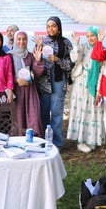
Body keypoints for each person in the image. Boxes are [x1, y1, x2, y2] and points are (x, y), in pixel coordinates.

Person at [37, 16, 72, 148]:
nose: (51, 29)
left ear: (58, 27)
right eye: (48, 26)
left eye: (53, 26)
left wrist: (58, 60)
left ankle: (57, 143)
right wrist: (39, 52)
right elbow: (36, 61)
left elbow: (71, 64)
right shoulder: (42, 41)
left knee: (57, 111)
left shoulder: (66, 43)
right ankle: (45, 141)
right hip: (44, 80)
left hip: (58, 79)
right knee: (44, 111)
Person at [66, 27, 102, 152]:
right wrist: (76, 43)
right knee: (81, 109)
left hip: (95, 81)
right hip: (82, 81)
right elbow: (75, 58)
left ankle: (91, 139)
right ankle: (81, 140)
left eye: (93, 35)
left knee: (92, 109)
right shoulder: (84, 47)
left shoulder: (101, 49)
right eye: (88, 36)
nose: (90, 38)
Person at [10, 30, 44, 137]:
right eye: (19, 39)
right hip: (16, 91)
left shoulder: (30, 55)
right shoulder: (9, 56)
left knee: (34, 117)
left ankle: (35, 143)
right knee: (19, 118)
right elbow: (6, 74)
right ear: (15, 40)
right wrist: (16, 80)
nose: (21, 41)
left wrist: (38, 61)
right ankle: (19, 143)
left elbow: (36, 73)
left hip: (30, 91)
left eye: (24, 39)